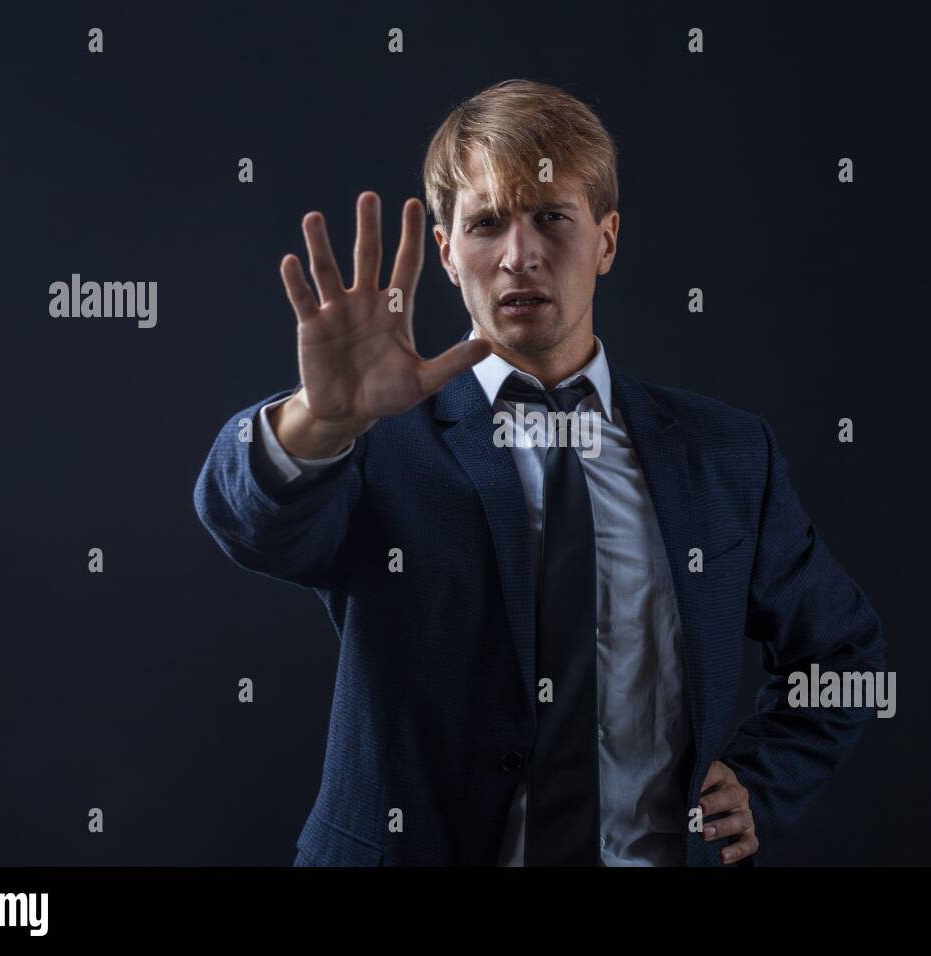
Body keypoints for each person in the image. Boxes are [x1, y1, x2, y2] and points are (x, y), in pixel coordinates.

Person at [193, 79, 886, 866]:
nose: (520, 254)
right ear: (450, 255)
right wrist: (323, 420)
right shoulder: (376, 439)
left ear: (607, 239)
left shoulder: (725, 453)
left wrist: (763, 780)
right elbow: (247, 520)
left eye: (551, 216)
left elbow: (843, 654)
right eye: (487, 222)